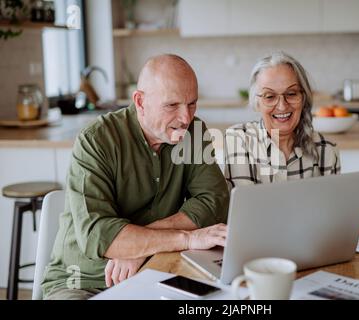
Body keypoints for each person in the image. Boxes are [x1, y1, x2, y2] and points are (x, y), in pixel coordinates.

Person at [41, 54, 229, 300]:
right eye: (172, 105)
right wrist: (187, 238)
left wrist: (138, 246)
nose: (186, 118)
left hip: (158, 269)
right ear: (140, 102)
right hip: (83, 281)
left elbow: (214, 201)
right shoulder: (96, 140)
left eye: (192, 104)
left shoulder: (194, 133)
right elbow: (100, 235)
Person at [224, 52, 359, 232]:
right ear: (257, 103)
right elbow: (247, 217)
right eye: (270, 96)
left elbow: (333, 216)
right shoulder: (239, 139)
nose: (282, 106)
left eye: (291, 93)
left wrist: (349, 214)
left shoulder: (326, 150)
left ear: (304, 98)